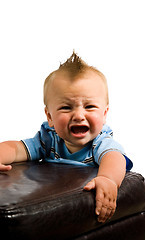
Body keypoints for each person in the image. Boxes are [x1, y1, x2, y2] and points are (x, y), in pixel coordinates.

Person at [0, 52, 133, 223]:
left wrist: (108, 179)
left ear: (104, 113)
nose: (78, 115)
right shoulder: (48, 139)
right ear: (50, 117)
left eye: (90, 106)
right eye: (66, 107)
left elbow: (115, 158)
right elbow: (17, 148)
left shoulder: (100, 142)